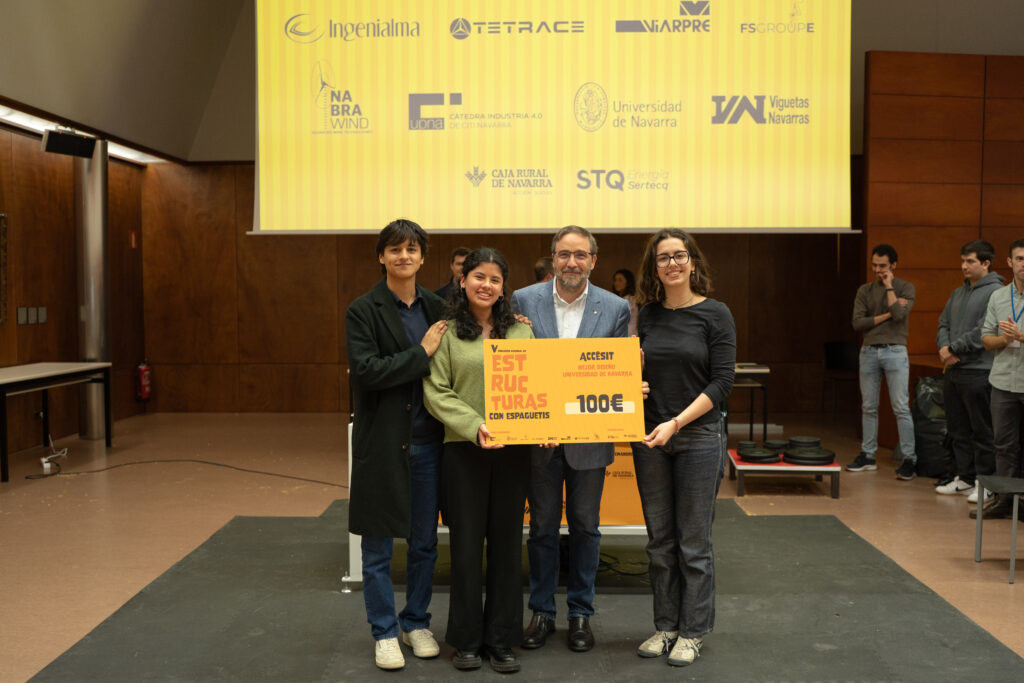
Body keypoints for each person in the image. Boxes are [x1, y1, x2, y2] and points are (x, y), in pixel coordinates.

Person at [511, 226, 631, 653]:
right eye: (564, 254)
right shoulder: (523, 300)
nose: (572, 263)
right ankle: (542, 611)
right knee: (541, 527)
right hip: (538, 439)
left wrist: (632, 379)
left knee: (585, 527)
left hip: (590, 439)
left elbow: (619, 367)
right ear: (553, 258)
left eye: (581, 255)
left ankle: (581, 613)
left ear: (593, 260)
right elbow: (515, 360)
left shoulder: (615, 307)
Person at [423, 248, 534, 673]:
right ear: (463, 281)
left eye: (495, 279)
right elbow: (436, 391)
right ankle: (467, 640)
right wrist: (475, 426)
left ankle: (502, 639)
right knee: (466, 548)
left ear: (504, 288)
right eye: (479, 277)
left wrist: (544, 425)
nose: (486, 285)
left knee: (507, 547)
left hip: (514, 453)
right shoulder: (447, 332)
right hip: (464, 450)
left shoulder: (521, 331)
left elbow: (538, 385)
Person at [344, 219, 448, 671]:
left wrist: (514, 322)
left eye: (411, 249)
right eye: (394, 249)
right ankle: (384, 631)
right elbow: (367, 372)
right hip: (384, 443)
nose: (403, 256)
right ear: (381, 257)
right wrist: (421, 354)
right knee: (378, 547)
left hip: (430, 443)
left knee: (424, 543)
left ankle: (416, 622)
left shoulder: (439, 307)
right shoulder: (362, 310)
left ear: (423, 257)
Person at [629, 229, 735, 668]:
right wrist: (632, 385)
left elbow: (722, 382)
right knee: (659, 542)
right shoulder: (649, 315)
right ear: (654, 268)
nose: (672, 264)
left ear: (692, 262)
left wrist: (676, 423)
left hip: (698, 437)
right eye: (663, 258)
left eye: (679, 255)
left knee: (693, 542)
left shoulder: (715, 313)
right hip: (651, 438)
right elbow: (638, 370)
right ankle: (666, 626)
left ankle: (692, 632)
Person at [935, 240, 1003, 501]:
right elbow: (943, 323)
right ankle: (964, 478)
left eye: (970, 261)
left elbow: (984, 330)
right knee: (958, 429)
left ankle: (984, 483)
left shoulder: (996, 292)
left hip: (978, 371)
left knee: (982, 431)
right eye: (963, 260)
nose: (964, 266)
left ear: (986, 263)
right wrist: (944, 347)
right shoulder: (957, 293)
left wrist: (954, 348)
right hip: (954, 370)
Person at [847, 244, 918, 480]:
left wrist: (889, 287)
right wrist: (888, 313)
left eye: (883, 266)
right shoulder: (864, 290)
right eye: (874, 265)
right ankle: (868, 455)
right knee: (868, 406)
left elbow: (900, 315)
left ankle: (909, 459)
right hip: (868, 351)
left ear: (893, 265)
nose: (878, 270)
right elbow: (858, 323)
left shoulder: (905, 287)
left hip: (895, 350)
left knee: (901, 407)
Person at [974, 238, 1024, 519]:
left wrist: (1021, 336)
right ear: (1009, 262)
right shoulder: (998, 297)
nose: (1023, 264)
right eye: (1019, 259)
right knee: (1003, 445)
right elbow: (986, 338)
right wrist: (1004, 339)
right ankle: (1004, 500)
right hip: (1003, 382)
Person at [612, 268, 640, 337]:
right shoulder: (624, 299)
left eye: (620, 280)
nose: (616, 283)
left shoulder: (629, 300)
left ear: (628, 282)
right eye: (615, 280)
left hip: (628, 336)